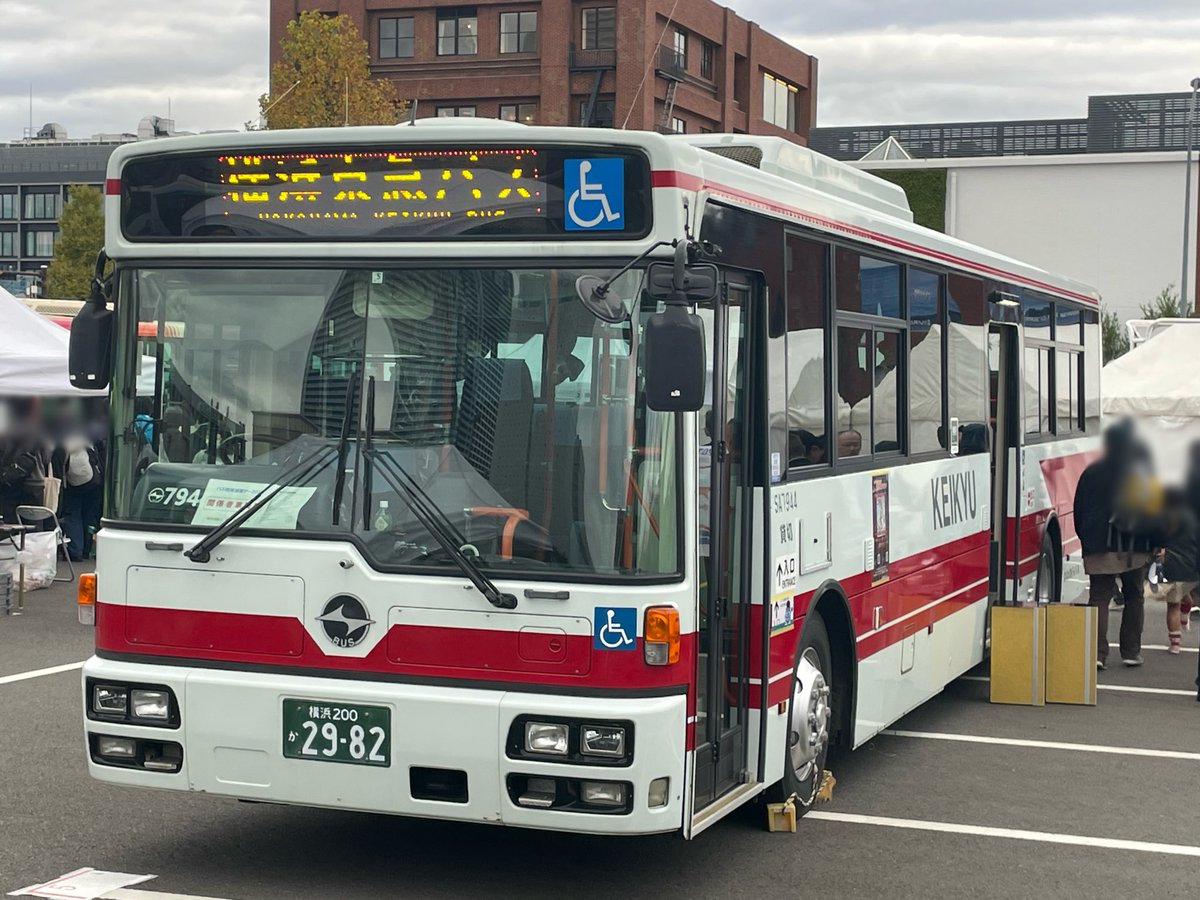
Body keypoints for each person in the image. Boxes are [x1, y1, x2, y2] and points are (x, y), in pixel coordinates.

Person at [1074, 419, 1158, 669]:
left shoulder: (1091, 472)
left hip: (1099, 544)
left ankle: (1097, 654)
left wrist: (1086, 539)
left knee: (1099, 596)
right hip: (1134, 544)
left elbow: (1079, 510)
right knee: (1134, 595)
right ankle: (1131, 651)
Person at [1146, 488, 1198, 655]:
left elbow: (1155, 539)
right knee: (1184, 594)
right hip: (1191, 565)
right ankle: (1185, 613)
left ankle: (1175, 643)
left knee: (1173, 604)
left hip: (1171, 564)